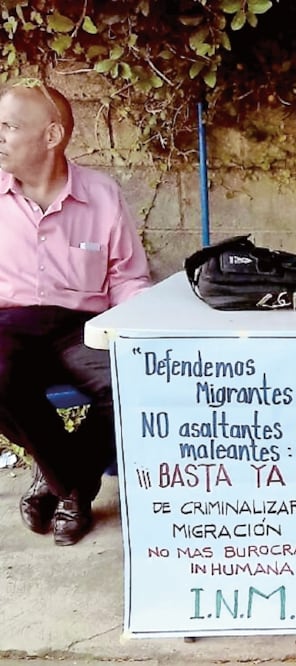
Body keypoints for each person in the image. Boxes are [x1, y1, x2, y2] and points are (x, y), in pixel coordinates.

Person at [0, 80, 151, 546]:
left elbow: (127, 276)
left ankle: (58, 481)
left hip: (80, 325)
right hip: (10, 322)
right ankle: (75, 487)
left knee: (138, 378)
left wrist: (134, 333)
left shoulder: (102, 195)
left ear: (51, 136)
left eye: (8, 127)